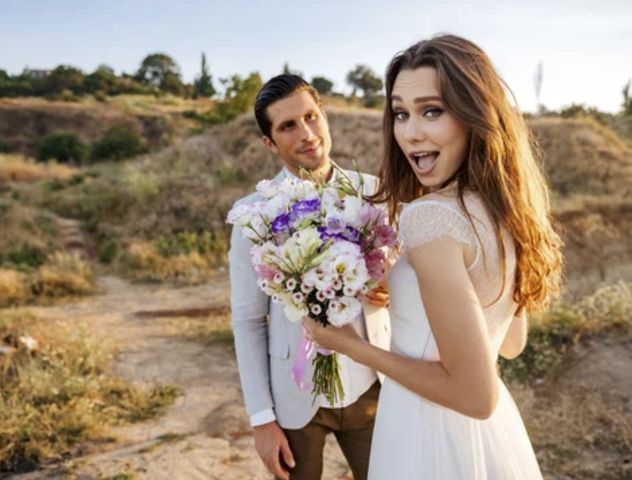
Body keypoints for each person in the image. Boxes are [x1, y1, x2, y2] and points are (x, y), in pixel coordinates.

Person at [303, 34, 563, 479]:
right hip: (491, 438)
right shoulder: (506, 210)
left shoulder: (428, 218)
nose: (410, 132)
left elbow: (476, 397)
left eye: (432, 111)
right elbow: (510, 344)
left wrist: (350, 346)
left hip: (428, 432)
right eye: (401, 113)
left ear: (474, 116)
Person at [228, 74, 391, 480]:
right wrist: (261, 419)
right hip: (295, 400)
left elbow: (405, 277)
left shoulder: (372, 192)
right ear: (270, 143)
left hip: (373, 386)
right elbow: (248, 321)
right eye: (287, 126)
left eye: (311, 116)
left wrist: (391, 288)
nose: (307, 134)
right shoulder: (254, 214)